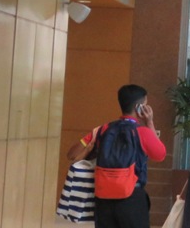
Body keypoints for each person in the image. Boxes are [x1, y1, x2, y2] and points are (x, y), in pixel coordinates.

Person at [66, 84, 166, 228]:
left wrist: (89, 146)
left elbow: (71, 154)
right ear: (139, 107)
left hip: (103, 197)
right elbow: (160, 154)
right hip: (131, 197)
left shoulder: (102, 129)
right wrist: (149, 122)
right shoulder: (142, 132)